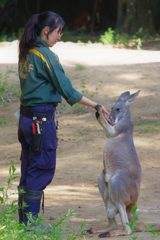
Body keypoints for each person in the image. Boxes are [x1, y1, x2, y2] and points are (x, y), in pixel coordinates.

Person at [17, 11, 110, 227]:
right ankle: (31, 225)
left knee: (30, 167)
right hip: (40, 121)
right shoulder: (45, 55)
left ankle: (24, 222)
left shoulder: (27, 51)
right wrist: (96, 105)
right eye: (58, 32)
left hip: (26, 118)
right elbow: (66, 89)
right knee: (41, 167)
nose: (60, 36)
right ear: (46, 30)